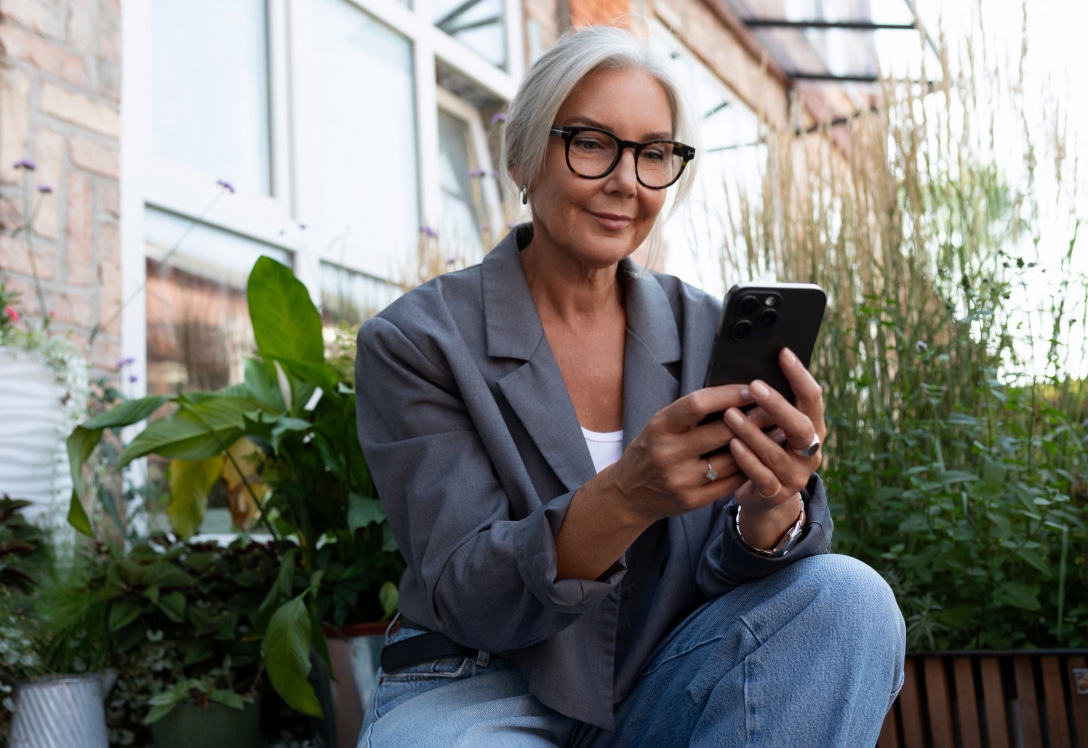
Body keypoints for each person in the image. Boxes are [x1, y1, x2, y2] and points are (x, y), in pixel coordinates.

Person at [354, 21, 905, 747]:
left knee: (850, 599)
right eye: (591, 143)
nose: (626, 181)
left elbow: (730, 579)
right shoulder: (418, 342)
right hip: (477, 684)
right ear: (523, 157)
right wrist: (628, 495)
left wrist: (770, 510)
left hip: (660, 679)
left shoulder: (707, 328)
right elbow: (468, 590)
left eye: (653, 153)